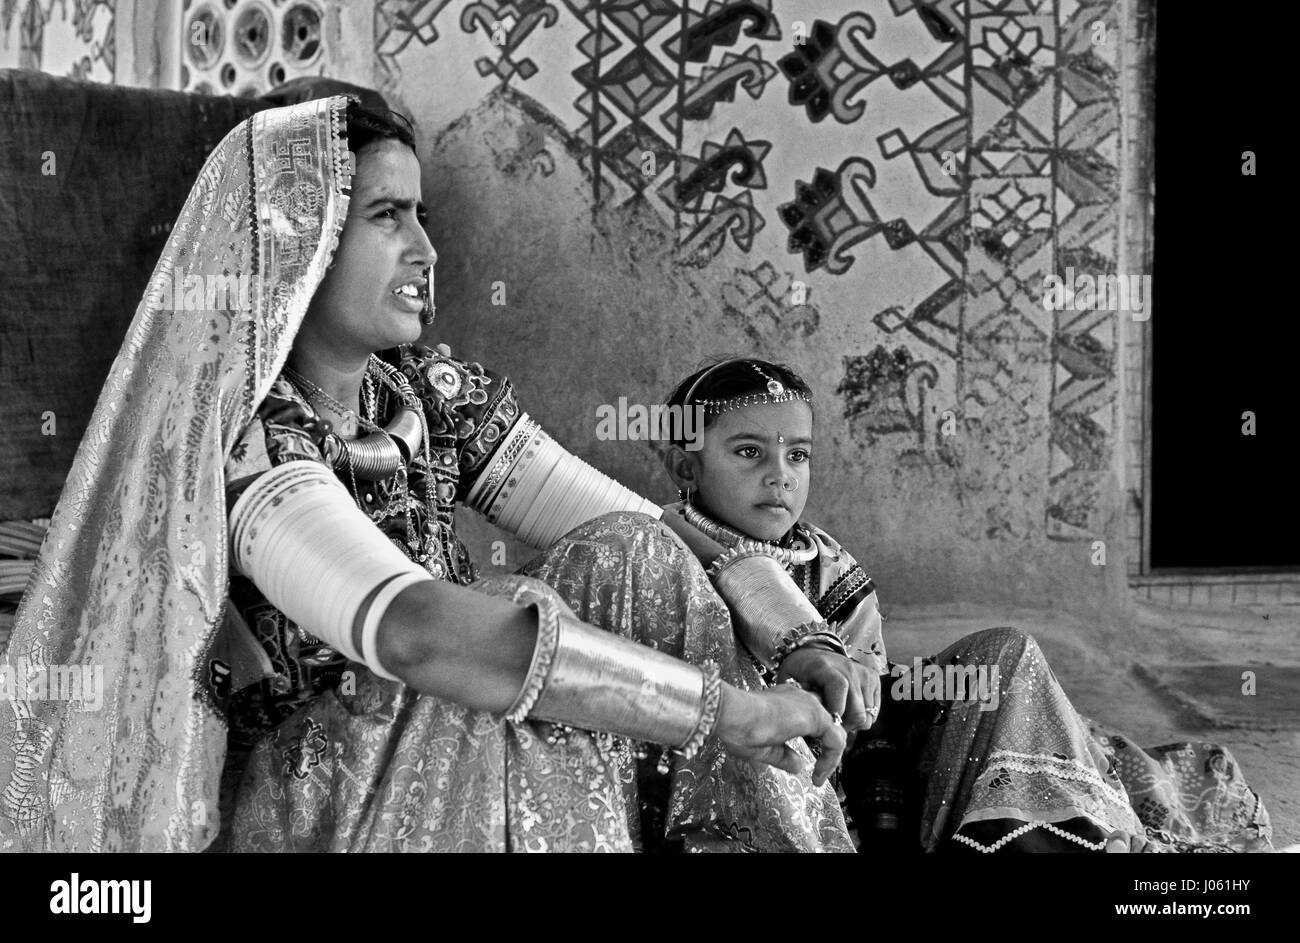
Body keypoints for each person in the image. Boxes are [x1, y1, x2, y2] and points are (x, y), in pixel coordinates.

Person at [0, 97, 859, 852]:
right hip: (340, 793)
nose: (425, 248)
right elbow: (414, 631)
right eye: (386, 215)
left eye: (421, 215)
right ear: (294, 243)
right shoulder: (247, 443)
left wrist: (796, 631)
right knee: (503, 655)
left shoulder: (423, 395)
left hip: (469, 739)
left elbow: (649, 532)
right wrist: (732, 713)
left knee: (628, 553)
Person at [655, 356, 1275, 853]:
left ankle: (1057, 831)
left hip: (868, 747)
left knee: (1006, 654)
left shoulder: (828, 564)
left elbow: (868, 684)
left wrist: (855, 686)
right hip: (779, 772)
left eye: (798, 454)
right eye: (748, 452)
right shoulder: (657, 553)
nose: (780, 475)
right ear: (687, 466)